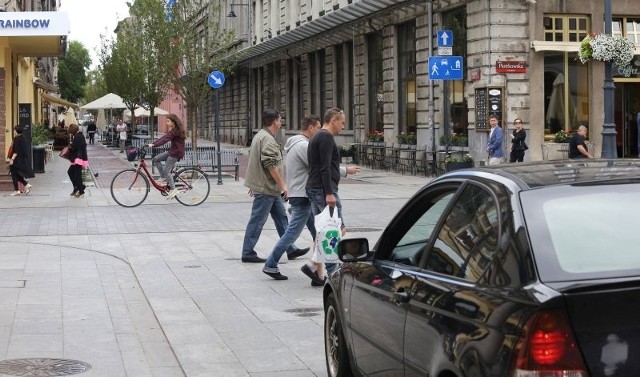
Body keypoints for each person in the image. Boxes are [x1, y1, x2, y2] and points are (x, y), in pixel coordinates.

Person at [241, 108, 309, 266]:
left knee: (281, 218)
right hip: (267, 188)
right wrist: (284, 186)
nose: (281, 122)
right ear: (275, 121)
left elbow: (255, 162)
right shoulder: (268, 139)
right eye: (280, 119)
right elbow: (271, 165)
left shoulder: (260, 136)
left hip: (268, 188)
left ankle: (290, 248)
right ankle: (247, 252)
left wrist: (254, 183)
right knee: (257, 220)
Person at [303, 107, 360, 285]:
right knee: (336, 229)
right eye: (342, 122)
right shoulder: (326, 137)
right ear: (333, 120)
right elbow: (325, 167)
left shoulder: (316, 136)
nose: (343, 127)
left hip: (313, 187)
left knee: (323, 230)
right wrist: (329, 192)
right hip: (323, 189)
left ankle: (315, 267)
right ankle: (329, 269)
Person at [147, 114, 186, 200]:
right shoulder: (174, 130)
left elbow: (165, 140)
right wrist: (154, 143)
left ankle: (173, 189)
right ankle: (163, 177)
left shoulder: (176, 131)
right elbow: (164, 137)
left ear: (173, 121)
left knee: (166, 170)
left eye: (168, 121)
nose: (166, 123)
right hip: (172, 151)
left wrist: (154, 145)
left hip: (176, 153)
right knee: (156, 159)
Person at [7, 125, 34, 196]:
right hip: (22, 160)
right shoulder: (23, 138)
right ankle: (26, 185)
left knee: (14, 174)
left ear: (16, 131)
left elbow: (16, 151)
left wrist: (12, 159)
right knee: (17, 175)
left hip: (16, 160)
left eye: (14, 130)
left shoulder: (16, 139)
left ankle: (17, 190)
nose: (13, 131)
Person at [67, 123, 88, 198]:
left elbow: (74, 147)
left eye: (70, 131)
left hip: (78, 158)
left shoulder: (78, 136)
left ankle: (81, 189)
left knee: (76, 175)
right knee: (71, 172)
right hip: (78, 158)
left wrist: (71, 145)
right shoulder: (79, 135)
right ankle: (77, 187)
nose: (70, 133)